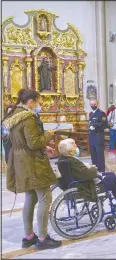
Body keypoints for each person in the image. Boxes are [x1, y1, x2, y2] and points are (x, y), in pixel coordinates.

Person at [2, 89, 62, 250]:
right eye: (38, 102)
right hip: (32, 162)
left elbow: (25, 141)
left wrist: (45, 147)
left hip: (21, 160)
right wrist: (49, 134)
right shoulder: (28, 117)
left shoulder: (13, 114)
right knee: (44, 197)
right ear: (30, 102)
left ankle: (28, 236)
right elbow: (34, 143)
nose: (39, 105)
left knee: (31, 196)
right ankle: (42, 238)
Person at [58, 138, 116, 218]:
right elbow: (89, 174)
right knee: (113, 179)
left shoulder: (64, 159)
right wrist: (93, 168)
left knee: (111, 174)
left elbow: (82, 172)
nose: (77, 148)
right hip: (86, 186)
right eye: (75, 146)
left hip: (80, 182)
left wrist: (88, 167)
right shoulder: (72, 161)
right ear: (71, 152)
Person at [88, 99, 108, 173]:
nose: (93, 105)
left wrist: (96, 127)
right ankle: (95, 170)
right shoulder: (90, 114)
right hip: (92, 137)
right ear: (90, 105)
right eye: (92, 104)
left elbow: (105, 125)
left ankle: (101, 171)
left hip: (98, 137)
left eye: (94, 104)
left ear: (97, 104)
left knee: (100, 156)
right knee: (93, 155)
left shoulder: (101, 113)